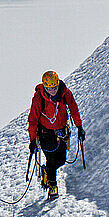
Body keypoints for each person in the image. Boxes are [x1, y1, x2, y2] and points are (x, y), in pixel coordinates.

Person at [28, 70, 85, 199]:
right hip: (45, 133)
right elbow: (32, 120)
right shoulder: (39, 98)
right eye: (49, 88)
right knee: (51, 159)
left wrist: (79, 126)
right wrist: (32, 140)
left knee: (61, 159)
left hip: (61, 131)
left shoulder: (65, 93)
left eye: (54, 87)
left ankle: (46, 172)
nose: (52, 90)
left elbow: (73, 109)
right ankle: (53, 186)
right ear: (45, 86)